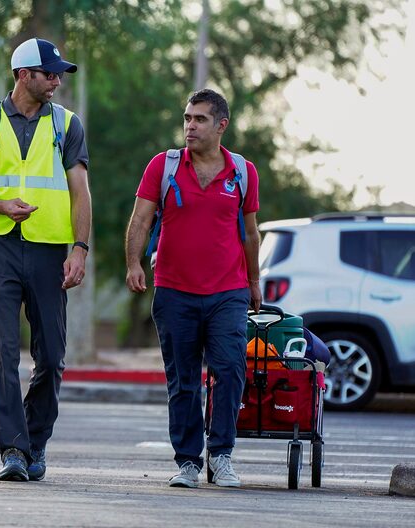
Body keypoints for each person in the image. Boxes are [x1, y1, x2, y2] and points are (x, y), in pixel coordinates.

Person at [0, 37, 91, 482]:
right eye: (49, 73)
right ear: (23, 75)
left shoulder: (68, 125)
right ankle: (13, 449)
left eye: (58, 74)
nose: (56, 80)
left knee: (51, 355)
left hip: (50, 250)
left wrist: (80, 248)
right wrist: (0, 205)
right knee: (3, 350)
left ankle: (35, 440)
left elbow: (80, 192)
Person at [124, 88, 261, 488]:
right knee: (182, 379)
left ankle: (221, 456)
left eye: (199, 119)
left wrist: (254, 282)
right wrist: (133, 263)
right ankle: (187, 461)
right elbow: (141, 219)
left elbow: (250, 233)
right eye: (187, 118)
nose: (190, 126)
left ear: (221, 125)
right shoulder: (162, 166)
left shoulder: (242, 172)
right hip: (174, 291)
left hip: (228, 291)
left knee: (230, 370)